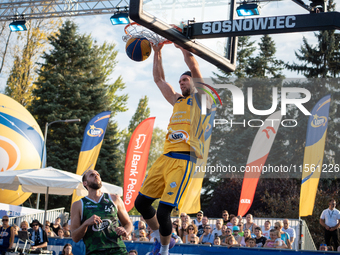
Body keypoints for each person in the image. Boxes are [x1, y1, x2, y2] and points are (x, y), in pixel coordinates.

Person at [134, 43, 213, 255]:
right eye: (180, 81)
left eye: (184, 80)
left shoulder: (201, 100)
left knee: (163, 211)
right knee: (141, 203)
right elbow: (159, 80)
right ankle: (162, 236)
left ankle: (165, 250)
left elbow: (194, 66)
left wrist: (182, 47)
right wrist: (157, 51)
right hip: (164, 158)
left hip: (183, 160)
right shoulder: (178, 100)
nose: (181, 83)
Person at [71, 169, 133, 255]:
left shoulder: (114, 199)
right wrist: (85, 223)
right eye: (92, 175)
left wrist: (125, 230)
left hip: (118, 249)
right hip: (94, 251)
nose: (96, 175)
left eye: (98, 174)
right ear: (85, 183)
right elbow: (75, 237)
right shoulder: (78, 204)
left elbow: (128, 223)